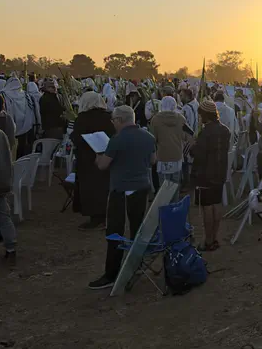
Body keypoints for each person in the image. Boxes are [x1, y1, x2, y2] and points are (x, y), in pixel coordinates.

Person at [89, 105, 156, 290]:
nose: (113, 124)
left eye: (113, 121)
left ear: (119, 120)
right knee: (136, 228)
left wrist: (97, 155)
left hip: (121, 190)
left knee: (115, 232)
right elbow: (153, 160)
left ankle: (111, 273)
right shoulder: (148, 137)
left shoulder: (117, 140)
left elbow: (103, 165)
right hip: (142, 187)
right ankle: (135, 266)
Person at [70, 92, 114, 230]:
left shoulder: (82, 118)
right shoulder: (108, 117)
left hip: (87, 159)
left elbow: (77, 138)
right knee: (103, 186)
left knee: (90, 188)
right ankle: (105, 216)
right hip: (105, 157)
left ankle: (96, 218)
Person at [191, 100, 231, 251]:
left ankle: (208, 240)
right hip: (220, 172)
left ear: (205, 115)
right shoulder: (224, 130)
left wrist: (193, 144)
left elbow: (198, 154)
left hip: (205, 174)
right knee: (216, 204)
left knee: (207, 207)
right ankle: (214, 238)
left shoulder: (205, 132)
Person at [149, 96, 192, 204]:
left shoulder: (156, 119)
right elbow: (187, 136)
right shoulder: (181, 119)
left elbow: (153, 139)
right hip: (177, 156)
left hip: (162, 156)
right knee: (175, 186)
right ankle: (174, 210)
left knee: (163, 188)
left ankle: (164, 212)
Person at [1, 77, 36, 157]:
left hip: (9, 126)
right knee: (21, 147)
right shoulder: (26, 95)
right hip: (24, 126)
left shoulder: (4, 95)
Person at [0, 128, 17, 266]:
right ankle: (11, 248)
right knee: (4, 217)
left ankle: (11, 248)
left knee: (4, 217)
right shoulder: (1, 134)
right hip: (1, 182)